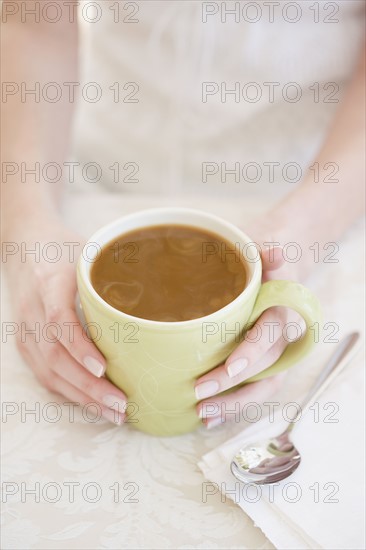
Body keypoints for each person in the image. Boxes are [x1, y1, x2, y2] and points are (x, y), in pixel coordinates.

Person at [2, 0, 365, 428]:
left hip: (312, 194)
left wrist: (299, 236)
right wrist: (27, 225)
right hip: (83, 183)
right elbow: (32, 21)